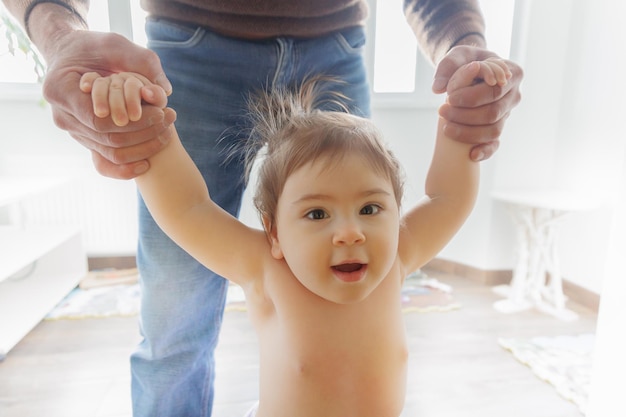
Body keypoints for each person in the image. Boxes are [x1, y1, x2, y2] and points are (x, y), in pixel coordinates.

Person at [2, 1, 523, 415]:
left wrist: (468, 93)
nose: (350, 233)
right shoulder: (265, 268)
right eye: (317, 215)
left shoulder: (401, 253)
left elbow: (449, 197)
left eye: (371, 208)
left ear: (396, 210)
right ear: (273, 233)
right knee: (173, 320)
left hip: (336, 35)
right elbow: (187, 206)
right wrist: (146, 124)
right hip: (189, 38)